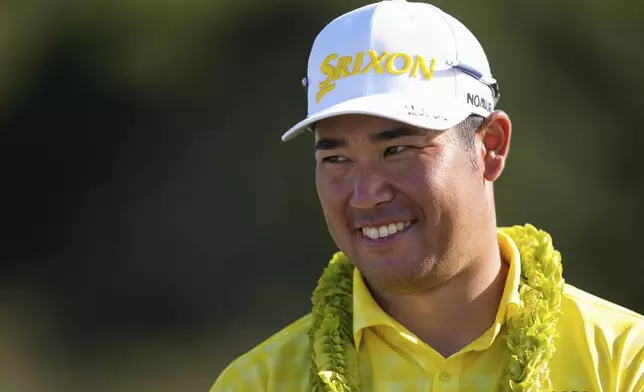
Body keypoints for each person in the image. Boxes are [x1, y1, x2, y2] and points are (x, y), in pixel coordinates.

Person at [211, 1, 644, 391]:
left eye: (397, 150)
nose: (366, 196)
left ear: (490, 146)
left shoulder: (624, 363)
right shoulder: (259, 383)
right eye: (337, 158)